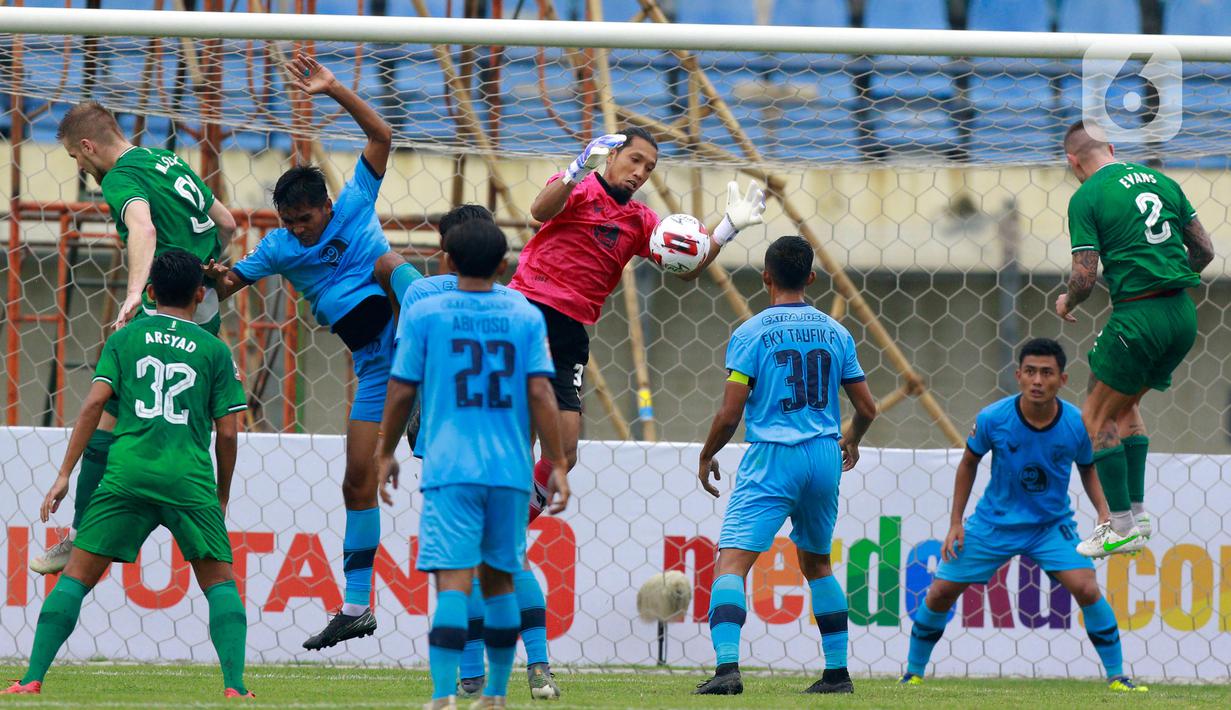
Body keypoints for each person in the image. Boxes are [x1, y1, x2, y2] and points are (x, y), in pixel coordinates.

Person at [206, 54, 422, 649]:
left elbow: (383, 135)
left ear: (326, 205)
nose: (299, 229)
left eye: (304, 218)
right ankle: (357, 607)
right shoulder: (278, 248)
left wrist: (334, 89)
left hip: (412, 344)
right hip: (377, 366)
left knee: (387, 263)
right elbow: (231, 283)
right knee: (357, 481)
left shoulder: (354, 205)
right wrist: (210, 271)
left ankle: (439, 330)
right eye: (289, 221)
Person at [4, 251, 250, 698]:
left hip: (127, 475)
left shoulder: (124, 338)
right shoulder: (216, 351)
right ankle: (235, 687)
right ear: (200, 294)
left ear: (151, 292)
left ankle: (31, 678)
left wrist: (64, 474)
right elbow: (228, 434)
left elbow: (94, 405)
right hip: (188, 479)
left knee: (76, 576)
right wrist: (222, 494)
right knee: (219, 584)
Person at [512, 128, 766, 521]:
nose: (641, 172)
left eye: (649, 168)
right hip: (529, 311)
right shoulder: (580, 187)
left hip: (570, 332)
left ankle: (510, 531)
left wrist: (724, 230)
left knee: (564, 451)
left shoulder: (641, 219)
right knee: (518, 436)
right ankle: (499, 539)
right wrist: (577, 169)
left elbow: (685, 267)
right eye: (635, 160)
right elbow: (540, 210)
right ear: (611, 156)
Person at [31, 101, 238, 575]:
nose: (79, 167)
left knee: (107, 417)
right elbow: (226, 224)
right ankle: (204, 515)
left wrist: (131, 298)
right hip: (202, 309)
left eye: (73, 157)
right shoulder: (167, 160)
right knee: (192, 417)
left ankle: (84, 533)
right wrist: (204, 266)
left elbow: (142, 226)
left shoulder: (120, 178)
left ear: (87, 146)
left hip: (158, 306)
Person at [374, 219, 570, 710]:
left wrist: (385, 451)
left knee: (454, 581)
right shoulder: (524, 313)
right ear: (504, 266)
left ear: (447, 262)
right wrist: (559, 462)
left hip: (449, 467)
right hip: (509, 469)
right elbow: (542, 392)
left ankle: (444, 696)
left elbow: (401, 390)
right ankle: (497, 696)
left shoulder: (427, 311)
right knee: (503, 576)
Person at [901, 338, 1147, 693]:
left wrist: (1104, 511)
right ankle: (912, 672)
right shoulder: (993, 418)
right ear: (1018, 375)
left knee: (1087, 588)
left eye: (1046, 373)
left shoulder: (1078, 424)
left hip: (1050, 527)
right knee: (940, 591)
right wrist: (956, 522)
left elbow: (1089, 467)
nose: (1037, 380)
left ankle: (1117, 675)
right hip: (993, 524)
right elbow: (969, 463)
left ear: (1062, 379)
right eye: (1030, 371)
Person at [692, 236, 877, 696]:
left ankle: (727, 670)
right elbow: (868, 408)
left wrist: (707, 452)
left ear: (766, 277)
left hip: (774, 455)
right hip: (823, 455)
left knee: (732, 562)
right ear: (811, 278)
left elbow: (730, 414)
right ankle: (837, 675)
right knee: (817, 564)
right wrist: (850, 438)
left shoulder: (751, 333)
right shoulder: (836, 333)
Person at [1056, 121, 1215, 558]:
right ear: (1111, 146)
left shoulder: (1086, 196)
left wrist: (1068, 301)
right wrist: (1167, 276)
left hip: (1139, 315)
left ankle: (1118, 525)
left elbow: (1085, 275)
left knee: (1093, 415)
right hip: (1182, 314)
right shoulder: (1163, 181)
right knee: (1125, 405)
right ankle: (1138, 515)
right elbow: (1204, 251)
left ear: (1073, 161)